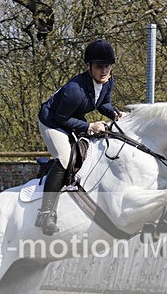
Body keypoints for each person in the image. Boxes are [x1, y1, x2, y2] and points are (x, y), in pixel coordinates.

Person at [35, 39, 122, 235]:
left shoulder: (109, 81)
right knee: (65, 159)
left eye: (107, 66)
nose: (104, 71)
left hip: (71, 117)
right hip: (52, 121)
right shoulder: (74, 90)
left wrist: (115, 113)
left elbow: (102, 104)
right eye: (99, 66)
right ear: (89, 66)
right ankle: (45, 213)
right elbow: (61, 118)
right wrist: (90, 126)